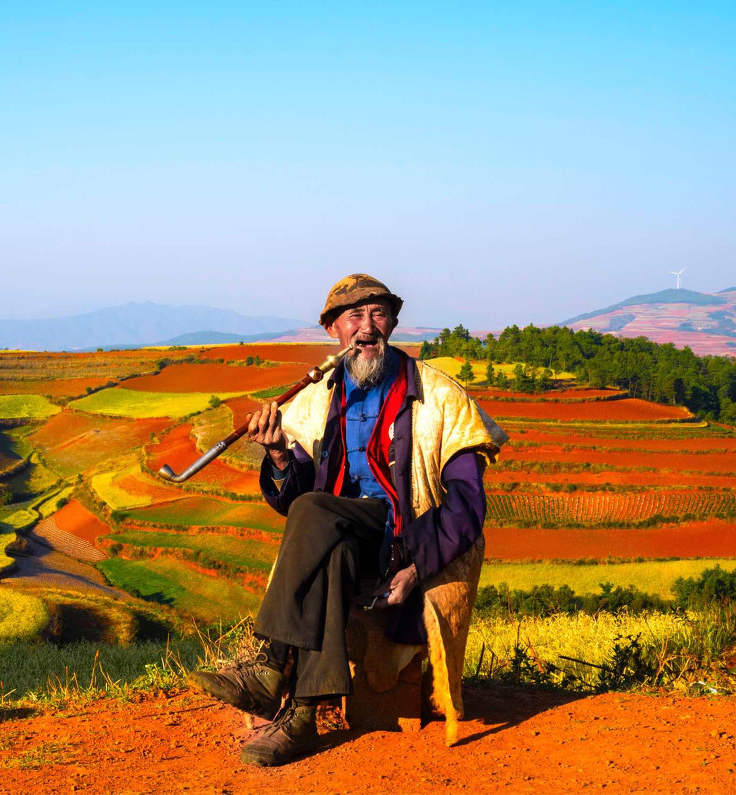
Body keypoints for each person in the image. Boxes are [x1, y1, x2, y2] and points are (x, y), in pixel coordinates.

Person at [188, 273, 507, 767]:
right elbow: (290, 498)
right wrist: (276, 454)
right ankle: (300, 719)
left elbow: (467, 503)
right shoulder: (318, 398)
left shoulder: (440, 396)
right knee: (327, 548)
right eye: (353, 317)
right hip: (341, 532)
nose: (366, 328)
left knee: (313, 510)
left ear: (393, 323)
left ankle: (270, 666)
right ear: (333, 330)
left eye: (377, 315)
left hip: (402, 538)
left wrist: (417, 567)